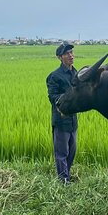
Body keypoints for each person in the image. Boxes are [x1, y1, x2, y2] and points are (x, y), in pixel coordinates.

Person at [46, 42, 78, 184]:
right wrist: (67, 101)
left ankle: (66, 175)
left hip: (73, 120)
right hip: (61, 119)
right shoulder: (55, 76)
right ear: (60, 57)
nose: (70, 55)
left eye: (71, 52)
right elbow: (52, 97)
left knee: (72, 151)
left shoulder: (75, 73)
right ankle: (63, 180)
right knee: (62, 152)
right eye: (67, 54)